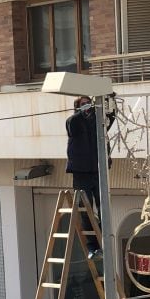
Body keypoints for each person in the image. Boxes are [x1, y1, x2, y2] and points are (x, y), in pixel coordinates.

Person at [65, 95, 116, 259]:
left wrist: (110, 101)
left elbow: (110, 118)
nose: (87, 106)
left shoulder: (97, 122)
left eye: (89, 103)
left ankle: (103, 242)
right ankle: (92, 247)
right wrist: (82, 112)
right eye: (83, 104)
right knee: (86, 210)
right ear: (78, 107)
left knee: (103, 208)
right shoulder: (74, 121)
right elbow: (71, 126)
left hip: (98, 171)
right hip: (81, 173)